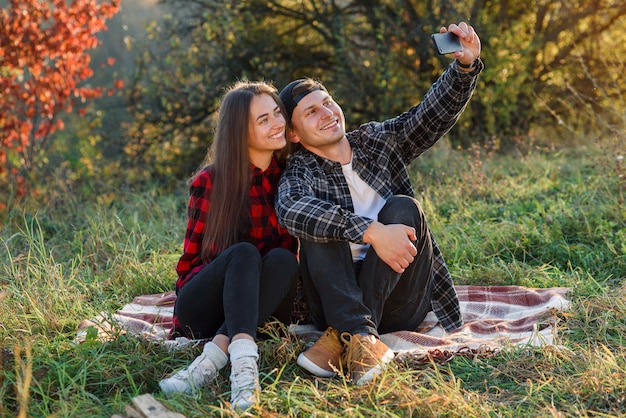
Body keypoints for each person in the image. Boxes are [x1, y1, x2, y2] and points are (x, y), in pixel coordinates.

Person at [276, 22, 483, 386]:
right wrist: (371, 232)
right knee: (317, 229)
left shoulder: (376, 141)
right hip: (334, 300)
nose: (326, 113)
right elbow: (291, 208)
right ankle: (360, 336)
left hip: (400, 302)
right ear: (293, 135)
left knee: (404, 208)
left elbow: (426, 118)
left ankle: (347, 337)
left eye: (327, 102)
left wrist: (464, 67)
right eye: (311, 112)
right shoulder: (300, 171)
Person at [159, 80, 299, 410]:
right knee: (243, 253)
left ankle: (214, 362)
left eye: (277, 113)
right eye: (263, 120)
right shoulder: (211, 182)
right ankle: (243, 372)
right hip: (205, 308)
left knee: (283, 259)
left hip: (260, 307)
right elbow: (190, 262)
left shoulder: (290, 178)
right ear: (239, 131)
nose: (277, 122)